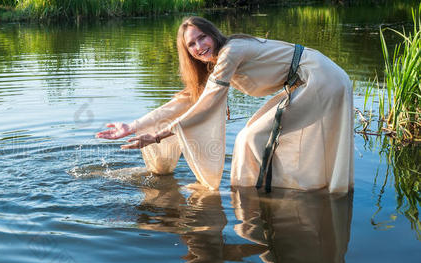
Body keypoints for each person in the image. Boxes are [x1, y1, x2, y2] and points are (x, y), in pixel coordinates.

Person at [96, 16, 354, 193]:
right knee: (251, 139)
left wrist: (159, 135)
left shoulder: (232, 51)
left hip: (320, 77)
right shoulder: (217, 63)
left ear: (212, 33)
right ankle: (267, 193)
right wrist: (133, 126)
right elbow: (186, 101)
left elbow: (207, 104)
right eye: (192, 44)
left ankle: (261, 197)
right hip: (306, 81)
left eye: (202, 38)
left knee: (251, 137)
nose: (199, 46)